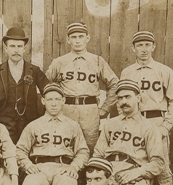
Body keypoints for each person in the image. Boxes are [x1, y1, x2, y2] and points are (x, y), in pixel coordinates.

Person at [120, 30, 173, 185]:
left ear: (153, 47)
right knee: (135, 161)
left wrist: (167, 125)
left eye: (147, 45)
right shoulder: (127, 72)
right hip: (135, 122)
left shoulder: (164, 71)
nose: (144, 49)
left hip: (156, 120)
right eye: (139, 45)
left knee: (161, 166)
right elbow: (123, 99)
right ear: (133, 48)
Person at [92, 79, 165, 185]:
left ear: (138, 98)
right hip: (108, 172)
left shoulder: (149, 127)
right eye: (120, 98)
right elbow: (98, 154)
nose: (123, 101)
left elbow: (158, 163)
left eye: (127, 97)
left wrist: (137, 172)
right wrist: (102, 174)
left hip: (134, 174)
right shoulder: (109, 124)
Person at [45, 22, 119, 154]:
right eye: (73, 37)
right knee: (65, 145)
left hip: (89, 111)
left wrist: (105, 108)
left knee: (90, 148)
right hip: (66, 109)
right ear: (68, 40)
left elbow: (115, 84)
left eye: (81, 36)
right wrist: (53, 107)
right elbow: (45, 85)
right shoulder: (59, 62)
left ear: (87, 38)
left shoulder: (97, 60)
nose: (77, 41)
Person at [0, 27, 48, 144]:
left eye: (19, 46)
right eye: (12, 46)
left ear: (25, 49)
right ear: (6, 49)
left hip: (29, 126)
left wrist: (42, 117)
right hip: (3, 127)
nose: (16, 50)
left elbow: (49, 92)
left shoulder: (35, 71)